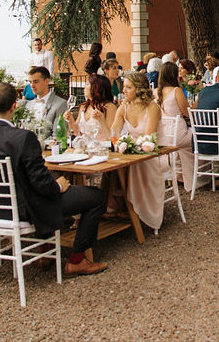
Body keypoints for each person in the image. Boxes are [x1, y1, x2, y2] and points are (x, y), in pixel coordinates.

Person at [0, 82, 107, 277]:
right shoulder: (22, 138)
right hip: (25, 210)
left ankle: (46, 250)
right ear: (13, 106)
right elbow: (43, 186)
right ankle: (76, 260)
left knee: (51, 184)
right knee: (96, 197)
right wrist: (57, 187)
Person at [110, 71, 166, 229]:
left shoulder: (152, 107)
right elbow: (114, 131)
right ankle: (118, 208)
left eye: (128, 87)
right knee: (112, 168)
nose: (124, 91)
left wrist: (126, 144)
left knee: (129, 167)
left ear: (139, 89)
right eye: (124, 87)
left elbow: (149, 137)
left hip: (154, 153)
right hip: (133, 153)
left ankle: (136, 211)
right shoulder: (123, 107)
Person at [156, 62, 196, 190]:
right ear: (173, 75)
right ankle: (196, 177)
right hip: (177, 134)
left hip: (163, 135)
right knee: (199, 137)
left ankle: (179, 174)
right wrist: (199, 100)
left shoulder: (157, 92)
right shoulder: (176, 91)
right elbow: (188, 113)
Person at [26, 66, 70, 130]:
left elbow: (58, 134)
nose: (32, 86)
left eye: (36, 81)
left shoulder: (61, 104)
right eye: (30, 82)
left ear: (47, 81)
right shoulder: (29, 105)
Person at [74, 74, 116, 141]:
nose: (84, 87)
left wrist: (101, 121)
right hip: (83, 147)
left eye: (87, 84)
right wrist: (70, 119)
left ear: (96, 88)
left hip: (102, 148)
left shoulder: (109, 107)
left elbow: (110, 137)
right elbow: (76, 133)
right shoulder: (83, 107)